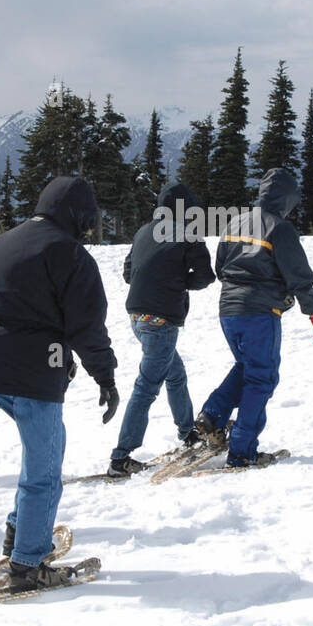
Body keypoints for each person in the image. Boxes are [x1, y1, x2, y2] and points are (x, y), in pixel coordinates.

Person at [0, 176, 118, 592]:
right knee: (46, 470)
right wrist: (105, 376)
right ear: (77, 215)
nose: (88, 230)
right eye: (87, 221)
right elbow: (88, 326)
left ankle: (19, 532)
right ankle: (29, 565)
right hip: (32, 368)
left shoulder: (3, 241)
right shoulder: (69, 253)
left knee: (36, 452)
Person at [193, 168, 313, 467]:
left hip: (228, 311)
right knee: (261, 378)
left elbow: (221, 266)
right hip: (259, 314)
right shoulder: (280, 228)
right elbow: (298, 275)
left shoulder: (234, 222)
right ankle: (242, 451)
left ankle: (211, 417)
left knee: (248, 367)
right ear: (288, 197)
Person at [108, 182, 215, 476]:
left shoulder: (144, 231)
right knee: (146, 387)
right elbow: (206, 276)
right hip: (162, 321)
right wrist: (180, 283)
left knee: (175, 374)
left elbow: (129, 273)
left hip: (137, 318)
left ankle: (188, 434)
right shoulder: (188, 233)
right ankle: (121, 457)